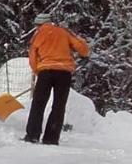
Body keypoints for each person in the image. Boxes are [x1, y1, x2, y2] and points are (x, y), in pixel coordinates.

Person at [24, 13, 90, 145]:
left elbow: (32, 57)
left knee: (38, 103)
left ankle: (32, 135)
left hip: (45, 72)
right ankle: (51, 138)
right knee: (59, 106)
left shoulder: (38, 35)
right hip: (64, 73)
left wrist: (38, 71)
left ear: (39, 25)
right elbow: (83, 50)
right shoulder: (63, 32)